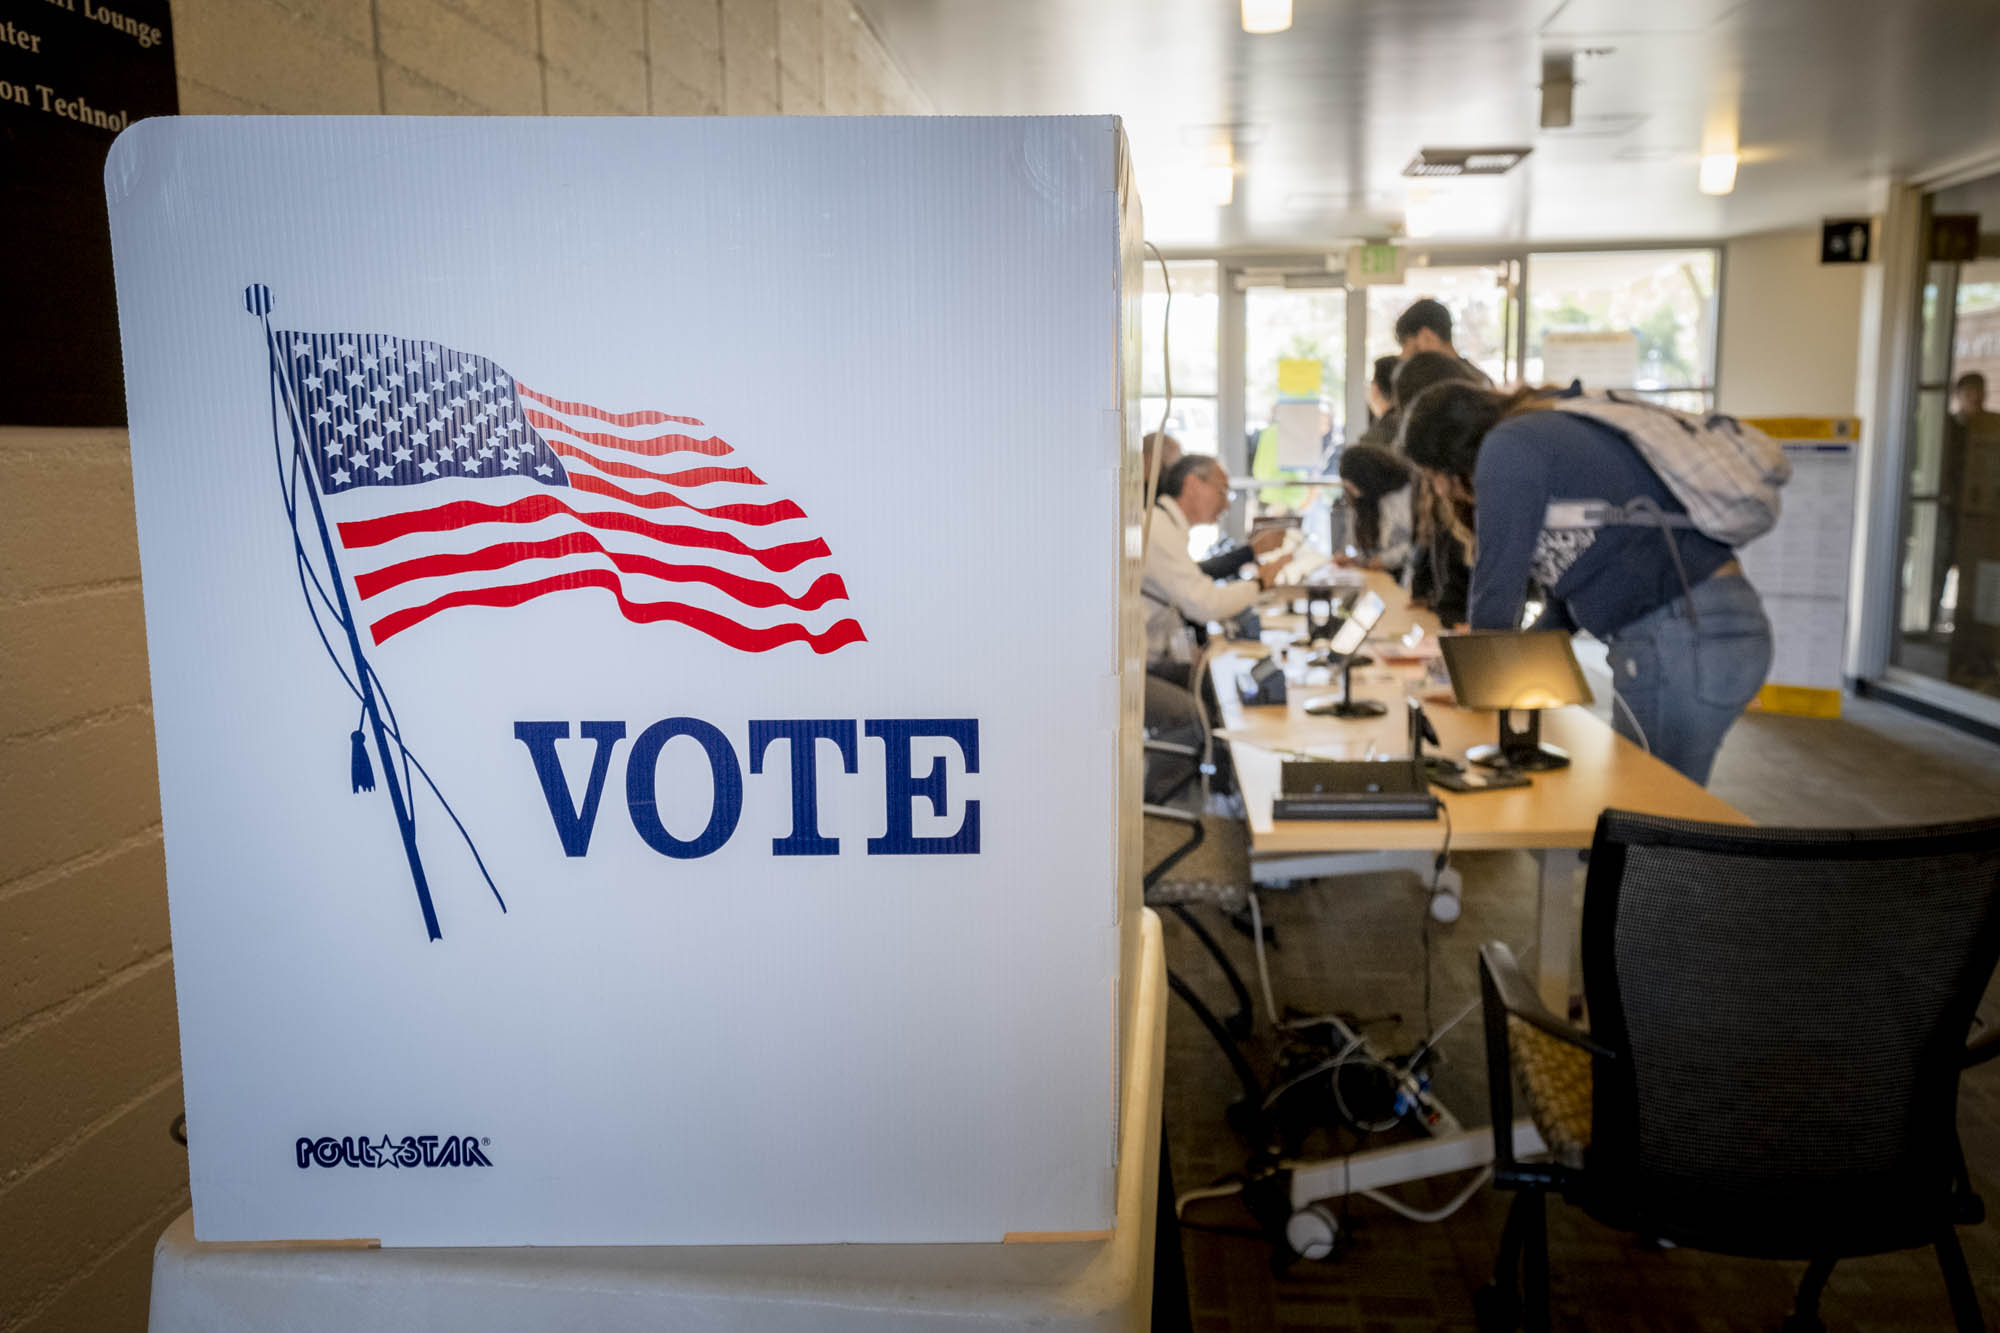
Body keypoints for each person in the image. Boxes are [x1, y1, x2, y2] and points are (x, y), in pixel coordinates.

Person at [1400, 380, 1772, 785]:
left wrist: (1476, 681)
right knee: (1658, 805)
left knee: (1648, 814)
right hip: (1710, 629)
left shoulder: (1507, 447)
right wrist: (1506, 677)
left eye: (1432, 473)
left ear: (1449, 454)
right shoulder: (1544, 437)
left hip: (1681, 637)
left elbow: (1497, 584)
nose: (1437, 488)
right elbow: (1564, 604)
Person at [1143, 454, 1288, 668]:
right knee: (1193, 701)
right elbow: (1206, 604)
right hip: (1145, 666)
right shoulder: (1159, 530)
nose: (1226, 504)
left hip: (1158, 655)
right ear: (1192, 484)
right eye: (1222, 491)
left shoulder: (1165, 526)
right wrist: (1259, 584)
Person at [1392, 351, 1482, 625]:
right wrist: (1427, 593)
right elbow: (1431, 533)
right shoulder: (1441, 464)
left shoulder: (1474, 461)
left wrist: (1479, 630)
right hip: (1449, 610)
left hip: (1468, 616)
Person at [1334, 443, 1414, 576]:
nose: (1353, 493)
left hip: (1405, 575)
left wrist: (1384, 560)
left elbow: (1415, 545)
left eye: (1353, 486)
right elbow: (1371, 550)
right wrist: (1357, 560)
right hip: (1381, 576)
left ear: (1367, 477)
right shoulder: (1364, 501)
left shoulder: (1402, 496)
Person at [1393, 298, 1492, 387]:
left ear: (1427, 336)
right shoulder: (1480, 379)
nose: (1404, 357)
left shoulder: (1436, 387)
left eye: (1407, 346)